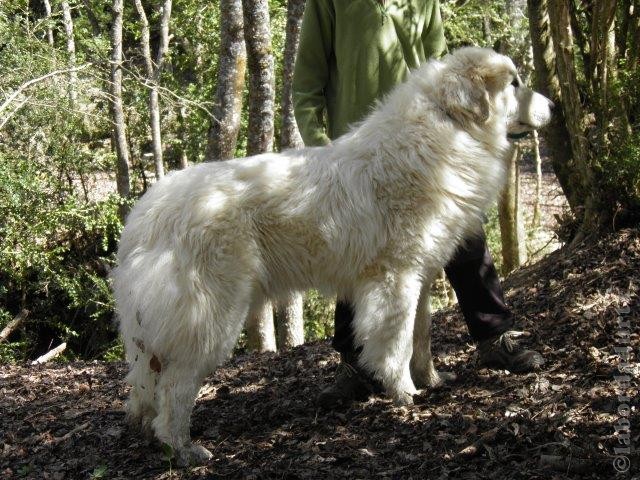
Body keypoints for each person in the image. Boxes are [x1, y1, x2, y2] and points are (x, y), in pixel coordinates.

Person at [292, 0, 544, 408]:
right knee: (356, 253)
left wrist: (483, 122)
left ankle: (494, 337)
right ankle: (357, 364)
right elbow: (306, 83)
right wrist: (321, 149)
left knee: (467, 240)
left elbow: (442, 71)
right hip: (358, 155)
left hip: (426, 145)